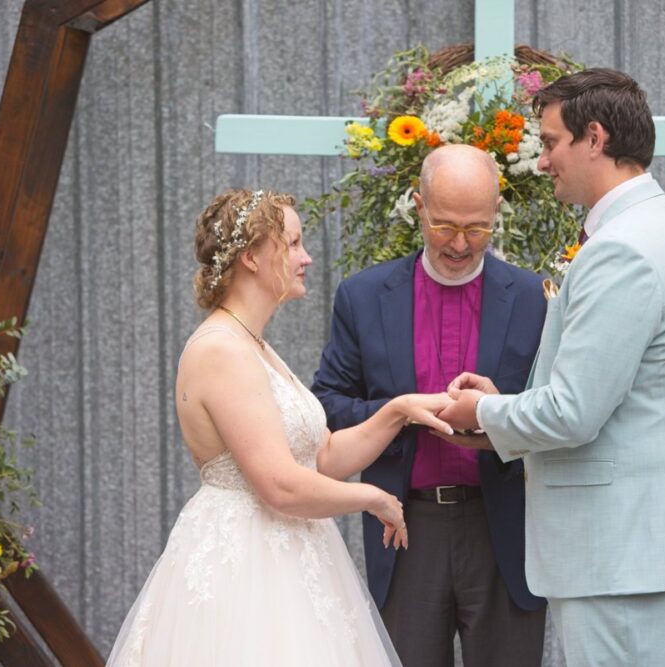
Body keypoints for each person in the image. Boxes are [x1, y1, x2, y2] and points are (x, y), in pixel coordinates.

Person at [440, 69, 665, 666]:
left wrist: (483, 411)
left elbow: (574, 412)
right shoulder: (653, 228)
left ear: (594, 138)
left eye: (551, 143)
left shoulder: (622, 250)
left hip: (622, 552)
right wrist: (504, 409)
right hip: (636, 548)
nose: (542, 161)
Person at [107, 189, 454, 666]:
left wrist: (397, 411)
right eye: (292, 244)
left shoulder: (254, 345)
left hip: (293, 553)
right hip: (246, 568)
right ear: (251, 257)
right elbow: (279, 485)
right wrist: (372, 498)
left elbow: (323, 457)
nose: (306, 257)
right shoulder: (220, 350)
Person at [311, 144, 548, 666]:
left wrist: (500, 409)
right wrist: (398, 412)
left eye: (477, 228)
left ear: (496, 212)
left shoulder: (535, 298)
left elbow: (556, 409)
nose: (460, 244)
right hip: (404, 528)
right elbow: (326, 406)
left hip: (504, 526)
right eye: (444, 226)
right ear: (417, 206)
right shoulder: (363, 297)